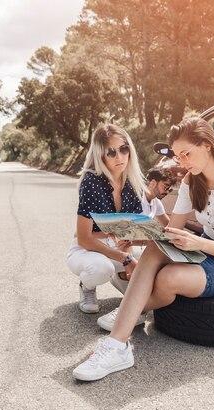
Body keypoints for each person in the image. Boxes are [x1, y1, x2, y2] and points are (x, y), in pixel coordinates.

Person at [73, 117, 214, 381]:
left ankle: (131, 311)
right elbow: (168, 233)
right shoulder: (193, 181)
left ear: (206, 145)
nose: (182, 162)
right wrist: (135, 238)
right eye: (178, 156)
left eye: (187, 154)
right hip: (203, 253)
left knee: (169, 278)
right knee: (156, 250)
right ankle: (117, 346)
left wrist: (196, 242)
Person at [66, 124, 146, 314]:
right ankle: (87, 286)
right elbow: (85, 238)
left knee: (151, 263)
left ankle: (119, 274)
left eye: (123, 149)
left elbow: (133, 230)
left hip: (119, 247)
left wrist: (129, 248)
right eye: (111, 152)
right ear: (101, 155)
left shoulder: (133, 182)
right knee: (101, 269)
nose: (119, 157)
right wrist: (125, 259)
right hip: (87, 248)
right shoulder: (91, 181)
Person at [96, 167, 176, 331]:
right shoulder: (134, 198)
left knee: (161, 256)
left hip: (133, 244)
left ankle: (137, 302)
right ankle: (91, 286)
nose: (167, 191)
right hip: (114, 245)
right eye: (165, 186)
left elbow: (168, 227)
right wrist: (128, 261)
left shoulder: (156, 203)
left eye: (170, 188)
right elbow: (124, 235)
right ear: (153, 182)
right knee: (142, 265)